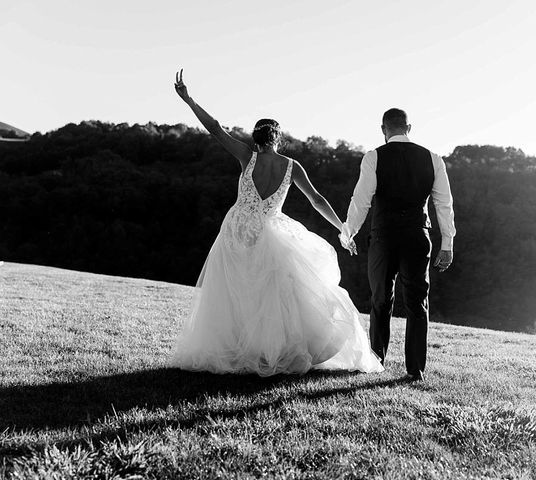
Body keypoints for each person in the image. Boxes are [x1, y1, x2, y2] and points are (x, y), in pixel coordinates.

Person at [170, 70, 382, 376]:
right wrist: (342, 228)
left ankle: (238, 348)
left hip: (237, 230)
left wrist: (188, 99)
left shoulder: (247, 156)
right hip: (270, 232)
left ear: (256, 138)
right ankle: (267, 352)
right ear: (277, 139)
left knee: (235, 293)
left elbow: (215, 129)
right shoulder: (291, 166)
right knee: (271, 296)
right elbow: (317, 200)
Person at [340, 108, 456, 381]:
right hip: (418, 235)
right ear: (409, 128)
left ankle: (377, 359)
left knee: (381, 298)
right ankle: (415, 369)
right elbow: (444, 203)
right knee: (417, 302)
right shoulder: (433, 159)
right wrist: (447, 243)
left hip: (384, 236)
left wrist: (348, 233)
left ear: (383, 129)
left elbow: (361, 200)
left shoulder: (374, 157)